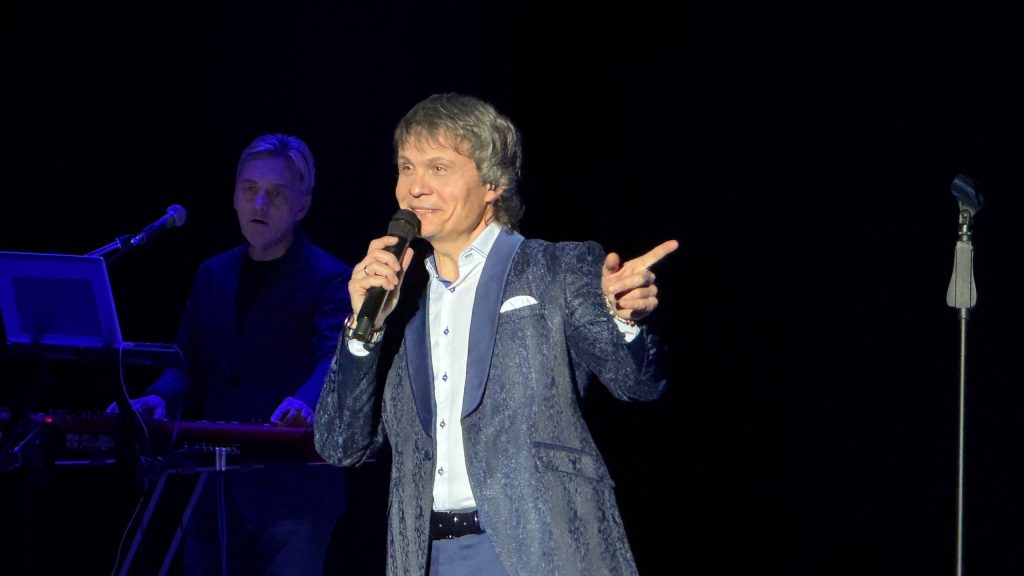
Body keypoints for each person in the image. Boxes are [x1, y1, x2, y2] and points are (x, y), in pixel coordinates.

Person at [314, 93, 678, 576]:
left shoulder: (556, 268)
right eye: (406, 168)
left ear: (493, 183)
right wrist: (365, 330)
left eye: (438, 168)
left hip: (542, 547)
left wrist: (625, 320)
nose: (415, 188)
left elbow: (638, 384)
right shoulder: (400, 305)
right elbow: (340, 444)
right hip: (429, 555)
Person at [110, 133, 350, 575]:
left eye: (276, 193)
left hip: (293, 494)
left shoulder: (330, 277)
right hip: (214, 489)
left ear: (302, 205)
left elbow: (333, 359)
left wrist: (307, 402)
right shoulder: (213, 274)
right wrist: (158, 398)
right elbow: (187, 364)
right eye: (250, 189)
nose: (260, 204)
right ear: (235, 197)